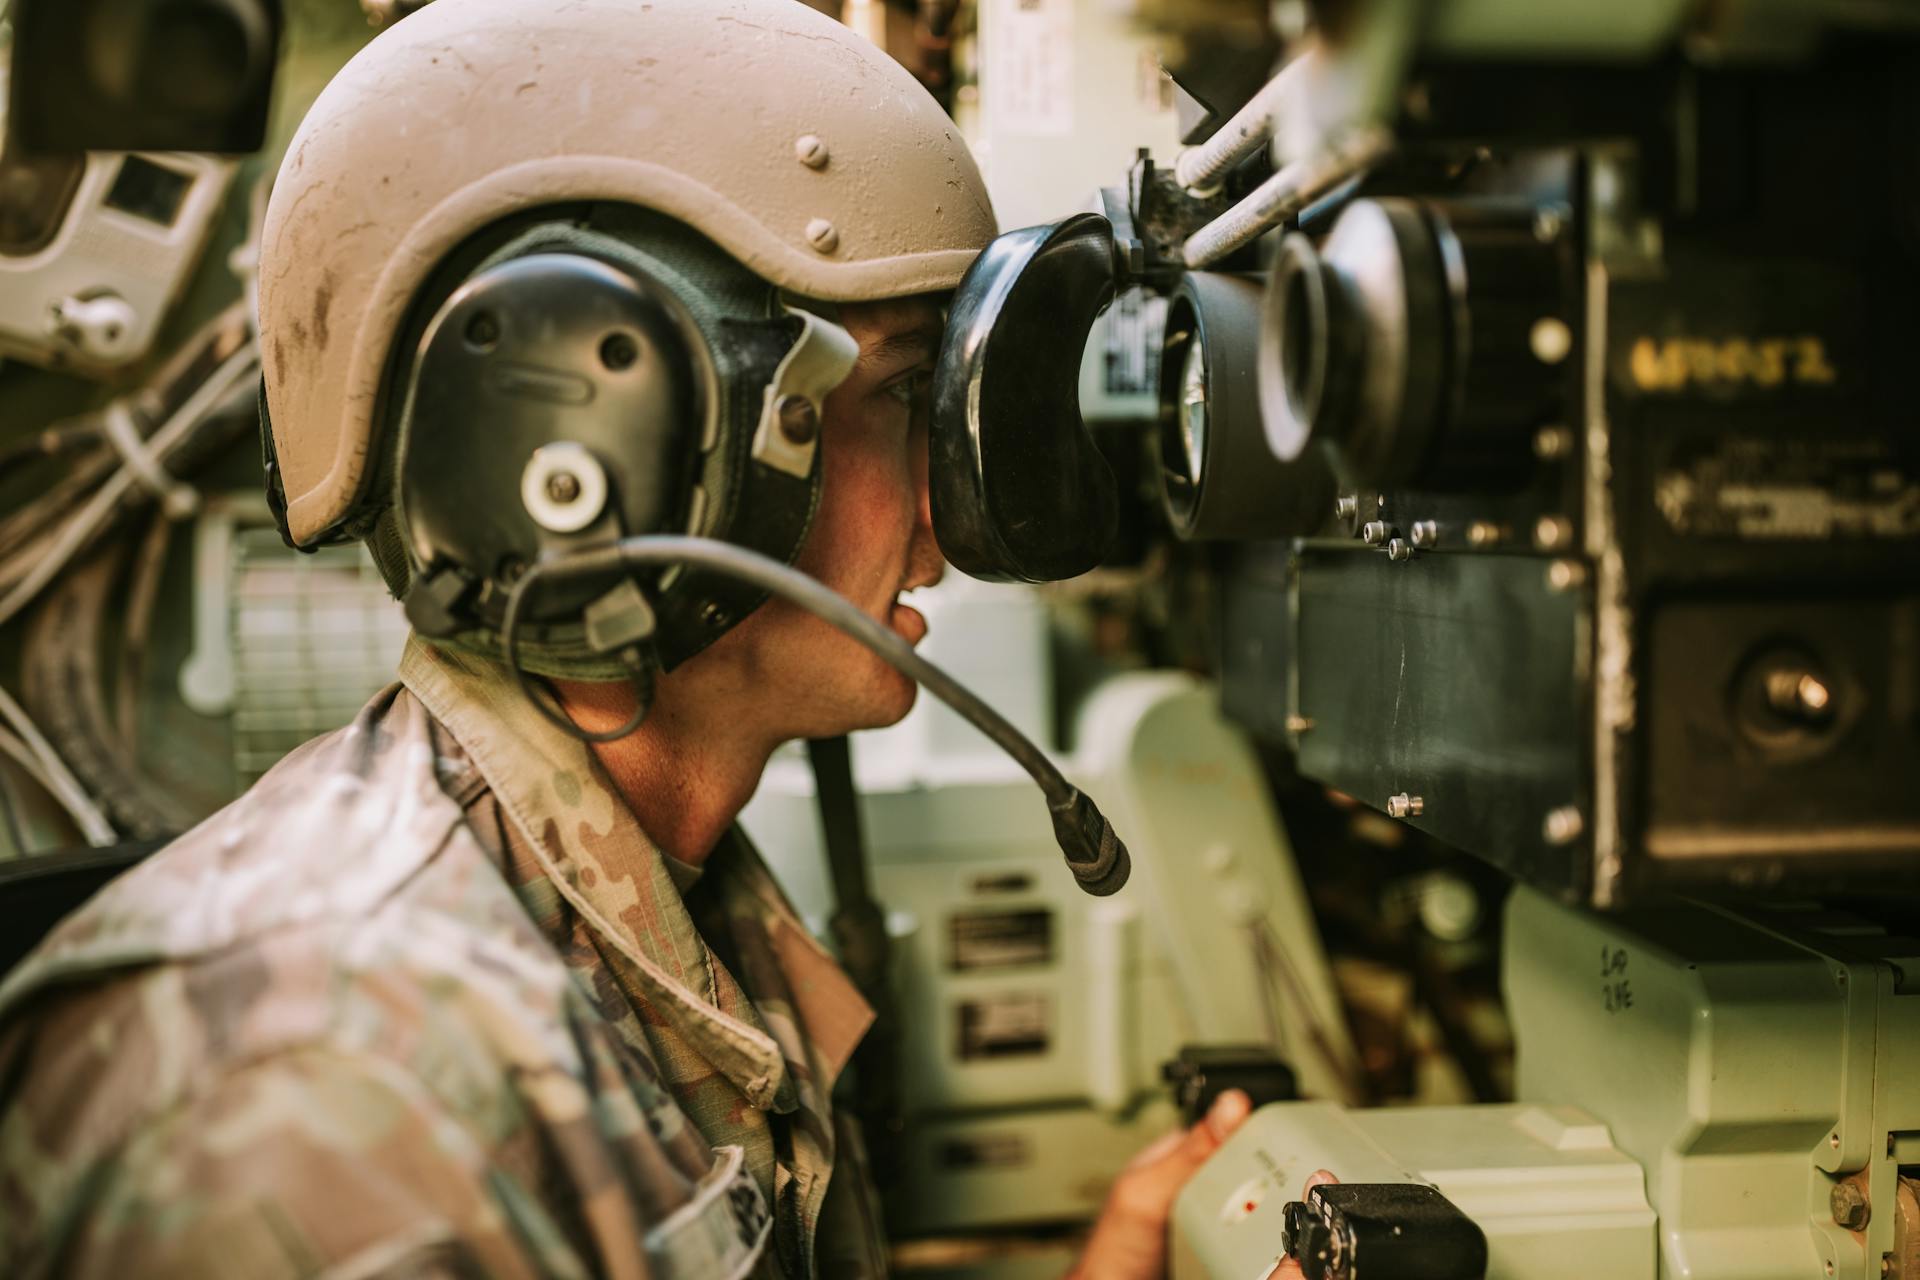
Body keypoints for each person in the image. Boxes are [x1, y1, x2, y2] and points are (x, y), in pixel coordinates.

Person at [0, 1, 1326, 1275]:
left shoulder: (663, 926)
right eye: (902, 395)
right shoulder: (319, 1095)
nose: (948, 503)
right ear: (589, 450)